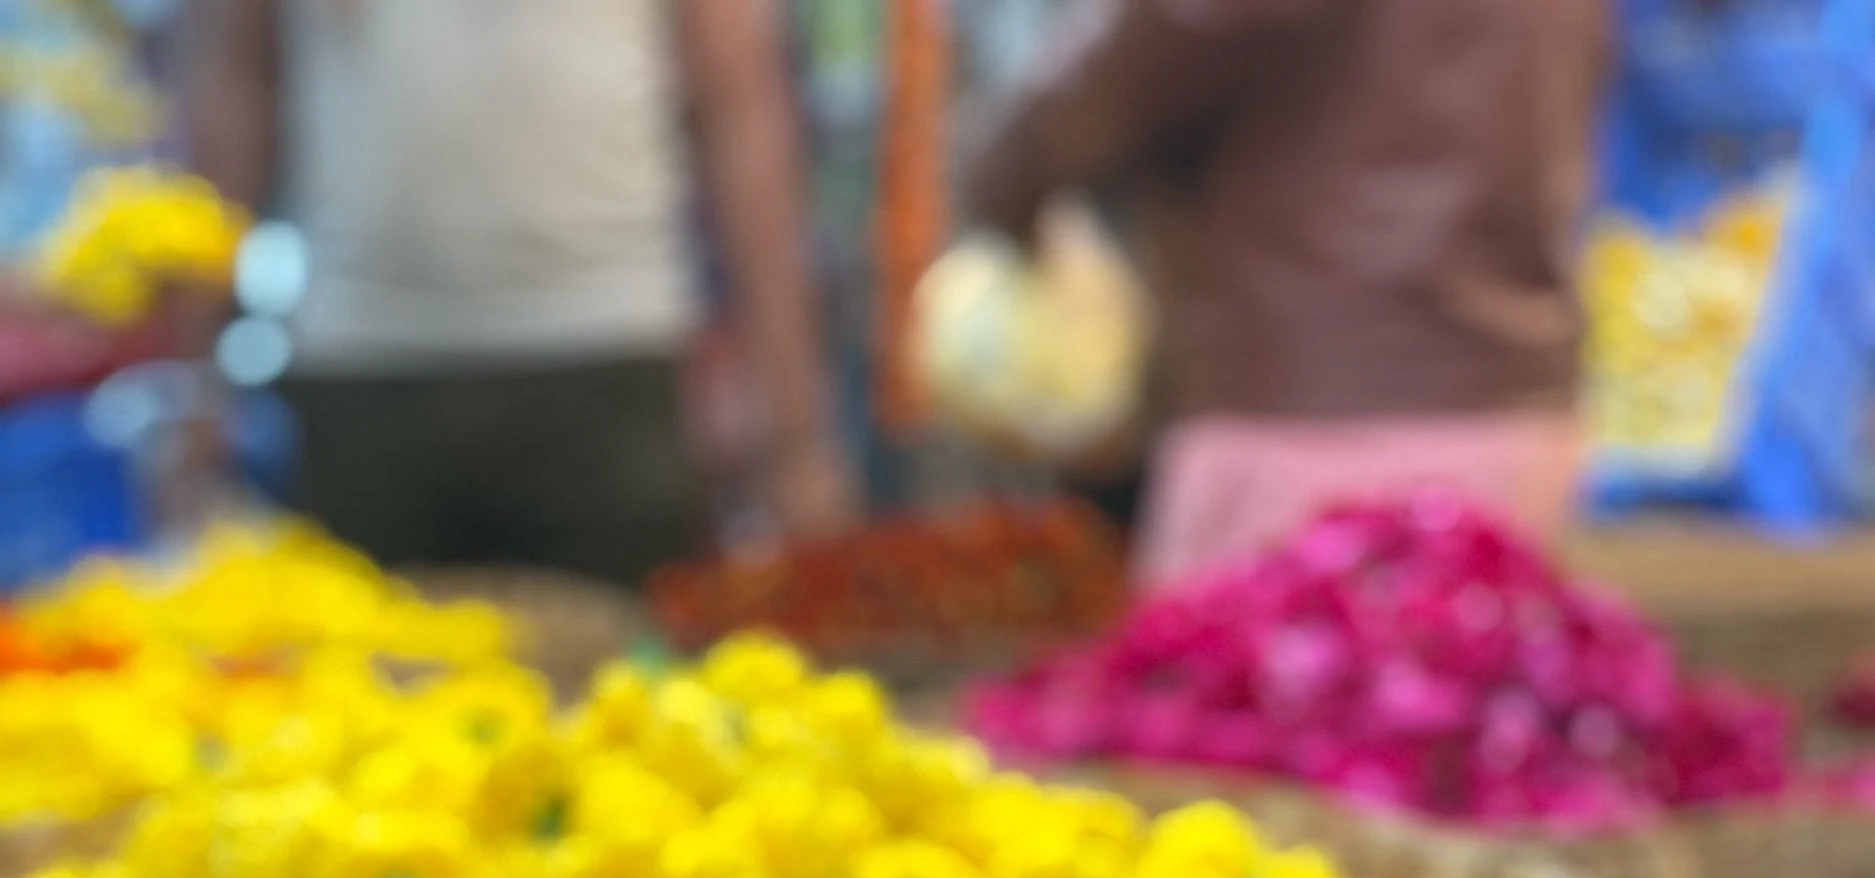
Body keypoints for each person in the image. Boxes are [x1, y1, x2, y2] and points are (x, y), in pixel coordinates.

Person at [184, 0, 855, 584]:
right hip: (362, 366)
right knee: (357, 708)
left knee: (630, 707)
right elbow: (236, 90)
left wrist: (796, 437)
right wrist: (191, 390)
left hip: (606, 358)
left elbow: (740, 105)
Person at [968, 0, 1611, 587]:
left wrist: (1009, 174)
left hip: (1313, 400)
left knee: (1258, 691)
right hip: (1510, 393)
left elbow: (1174, 28)